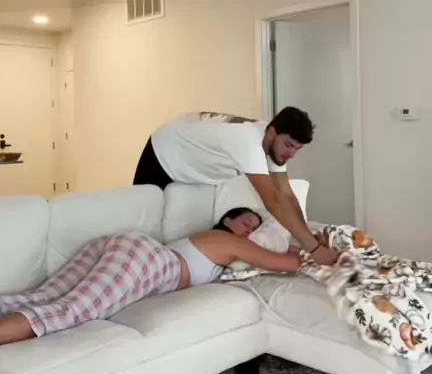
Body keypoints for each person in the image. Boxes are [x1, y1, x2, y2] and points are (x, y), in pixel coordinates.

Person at [0, 207, 306, 358]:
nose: (249, 230)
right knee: (70, 311)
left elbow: (275, 252)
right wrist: (318, 251)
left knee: (42, 295)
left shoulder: (214, 242)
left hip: (126, 245)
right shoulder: (228, 242)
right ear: (227, 221)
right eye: (245, 222)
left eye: (254, 228)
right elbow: (283, 262)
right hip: (148, 259)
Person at [133, 107, 337, 265]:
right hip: (165, 151)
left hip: (193, 160)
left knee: (178, 226)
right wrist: (314, 249)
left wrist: (309, 239)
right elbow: (273, 201)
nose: (291, 154)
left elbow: (286, 194)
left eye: (297, 149)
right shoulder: (248, 142)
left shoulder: (274, 146)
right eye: (289, 145)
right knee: (147, 225)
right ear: (272, 133)